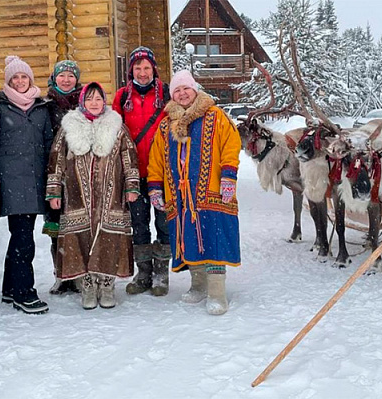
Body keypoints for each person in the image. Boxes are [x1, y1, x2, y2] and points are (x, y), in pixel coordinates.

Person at [147, 70, 241, 315]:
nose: (182, 93)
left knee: (214, 237)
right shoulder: (167, 123)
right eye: (177, 90)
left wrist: (229, 176)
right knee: (189, 238)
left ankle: (217, 292)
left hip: (212, 193)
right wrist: (155, 186)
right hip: (180, 197)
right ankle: (198, 285)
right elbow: (156, 157)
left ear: (195, 90)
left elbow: (231, 145)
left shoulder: (215, 115)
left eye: (186, 88)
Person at [46, 82, 140, 309]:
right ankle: (87, 285)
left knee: (109, 237)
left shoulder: (116, 127)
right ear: (82, 102)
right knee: (81, 238)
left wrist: (132, 185)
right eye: (89, 99)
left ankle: (107, 284)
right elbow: (56, 159)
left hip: (111, 195)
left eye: (98, 99)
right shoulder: (68, 127)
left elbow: (129, 157)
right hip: (76, 195)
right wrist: (54, 190)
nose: (94, 103)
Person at [0, 56, 53, 313]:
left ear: (30, 80)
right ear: (9, 81)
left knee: (21, 236)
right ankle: (25, 292)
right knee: (24, 238)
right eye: (15, 78)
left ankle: (11, 289)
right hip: (11, 182)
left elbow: (48, 145)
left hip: (35, 182)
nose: (20, 81)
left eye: (24, 77)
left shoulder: (40, 108)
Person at [112, 46, 172, 296]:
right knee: (138, 223)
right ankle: (144, 272)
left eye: (147, 67)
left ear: (154, 69)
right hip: (134, 172)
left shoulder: (166, 94)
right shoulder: (122, 96)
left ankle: (161, 273)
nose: (143, 72)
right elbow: (114, 130)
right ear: (131, 70)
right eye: (138, 68)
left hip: (162, 171)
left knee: (163, 222)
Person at [43, 60, 83, 295]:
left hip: (79, 172)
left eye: (71, 76)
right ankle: (60, 273)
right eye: (62, 75)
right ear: (54, 78)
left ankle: (77, 273)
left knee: (78, 225)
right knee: (56, 226)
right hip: (52, 172)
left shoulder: (85, 104)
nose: (66, 79)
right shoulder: (45, 106)